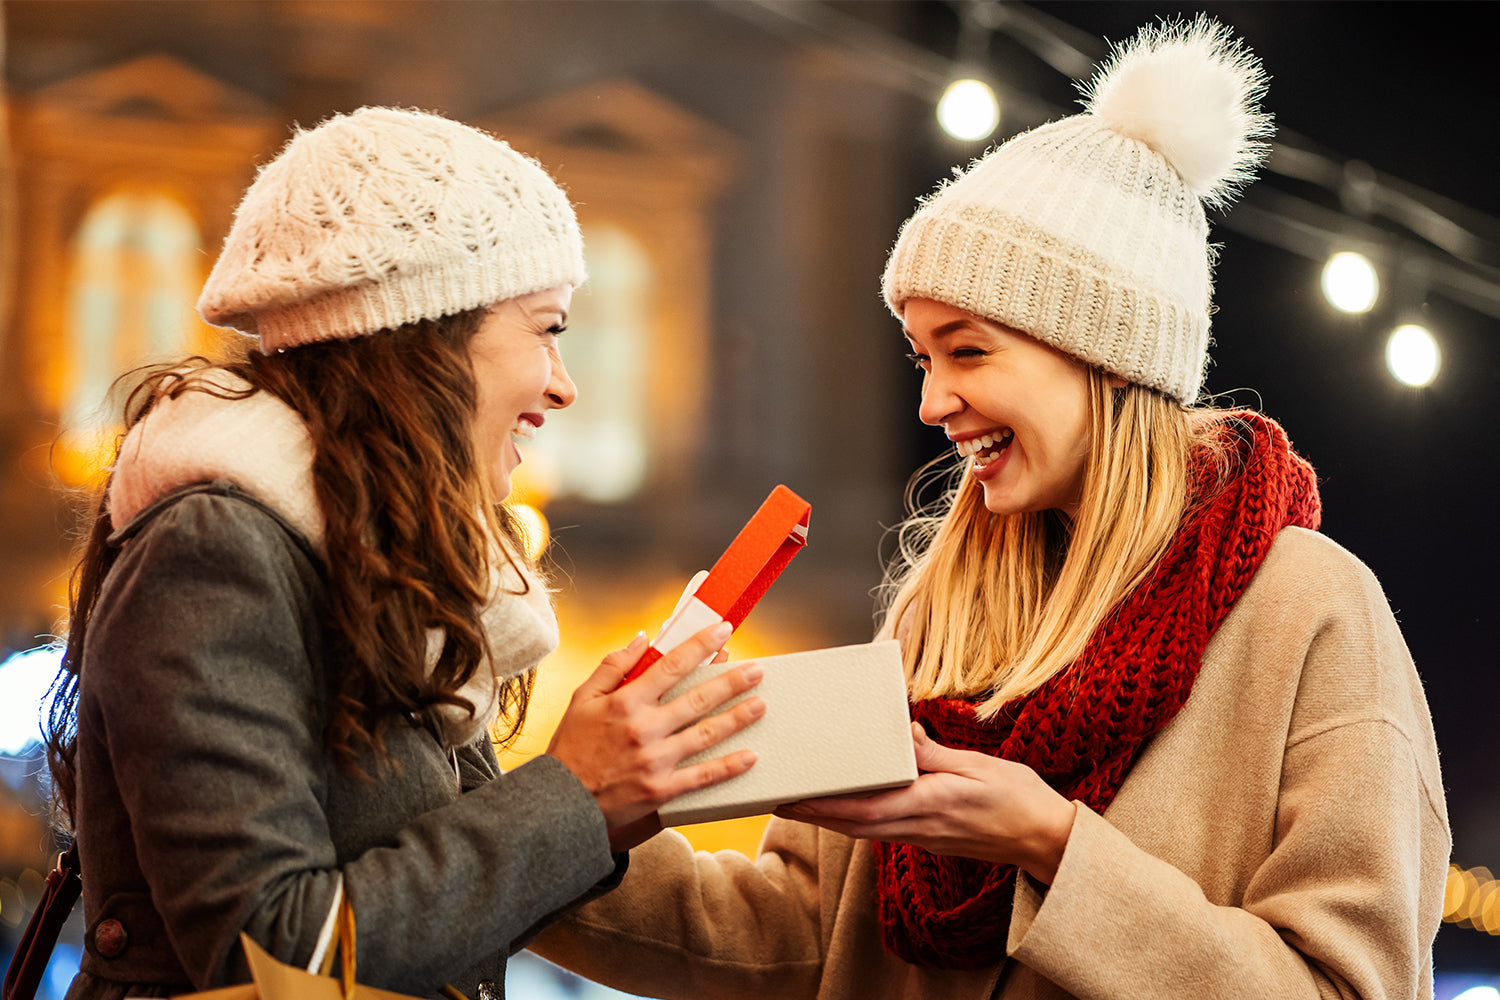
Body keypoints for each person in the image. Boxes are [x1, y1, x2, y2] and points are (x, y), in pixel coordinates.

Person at [527, 18, 1450, 1000]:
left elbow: (1353, 989)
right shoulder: (938, 617)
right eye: (923, 358)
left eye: (969, 351)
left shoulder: (1308, 612)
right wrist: (531, 829)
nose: (931, 403)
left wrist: (1054, 845)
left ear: (1105, 356)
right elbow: (796, 939)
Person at [42, 107, 765, 1000]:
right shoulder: (215, 549)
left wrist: (615, 788)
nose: (564, 383)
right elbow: (270, 962)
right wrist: (580, 791)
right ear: (425, 329)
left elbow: (444, 877)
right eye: (546, 329)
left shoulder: (377, 563)